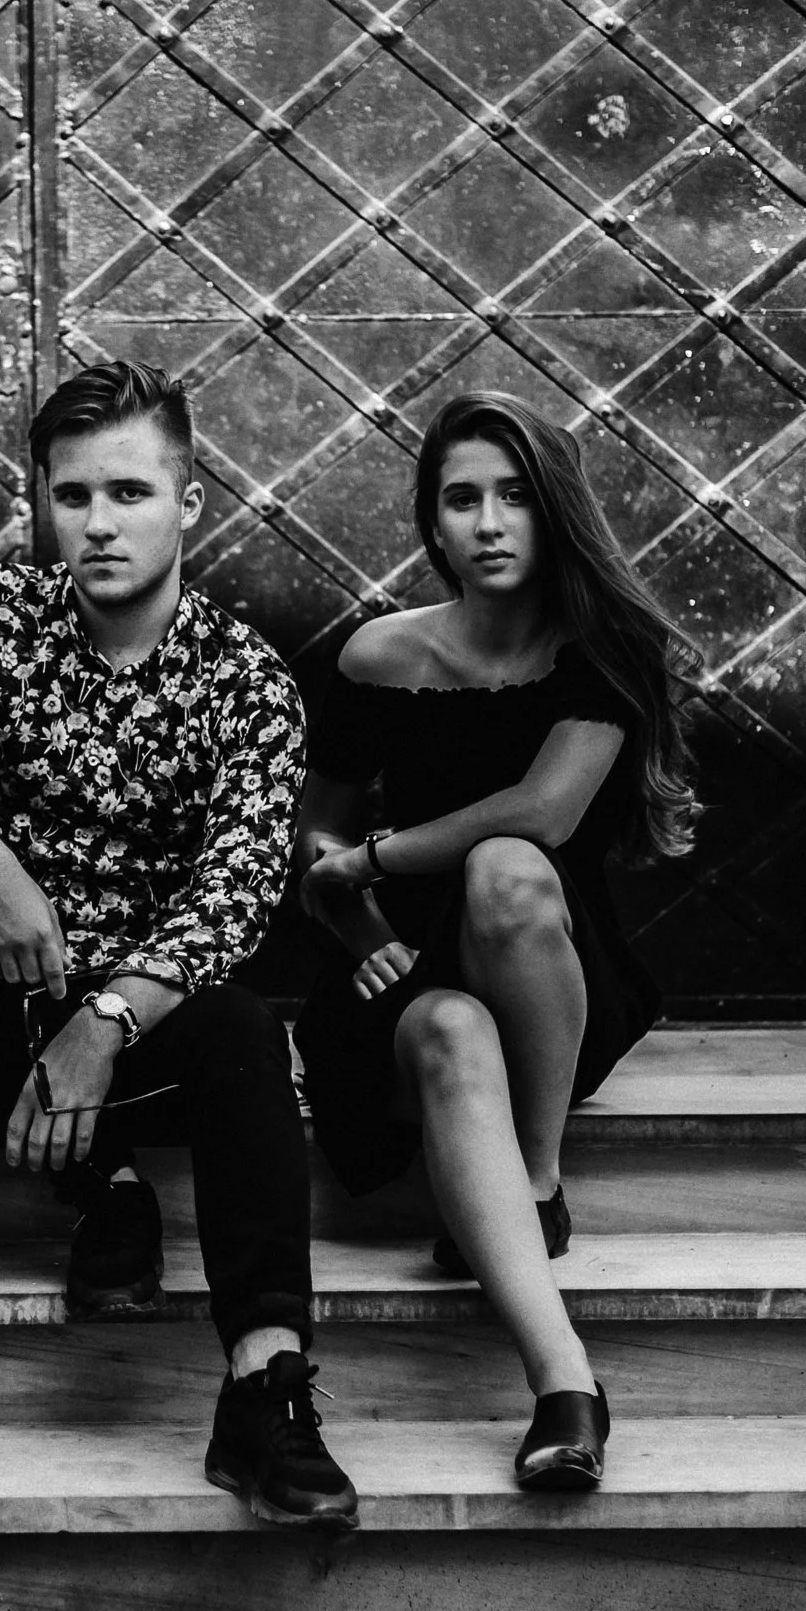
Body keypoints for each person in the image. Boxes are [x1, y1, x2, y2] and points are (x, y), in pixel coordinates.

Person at [0, 359, 358, 1530]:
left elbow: (238, 890)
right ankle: (109, 1182)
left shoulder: (247, 682)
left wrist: (106, 1019)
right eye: (74, 493)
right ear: (43, 500)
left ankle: (265, 1389)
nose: (98, 522)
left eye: (129, 492)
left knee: (245, 1029)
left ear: (186, 503)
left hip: (145, 1016)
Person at [292, 390, 698, 1492]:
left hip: (550, 963)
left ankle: (537, 1172)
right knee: (449, 1026)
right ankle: (567, 1386)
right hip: (410, 978)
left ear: (553, 510)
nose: (487, 522)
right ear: (431, 520)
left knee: (504, 869)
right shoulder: (380, 654)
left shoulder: (606, 647)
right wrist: (362, 928)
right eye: (460, 498)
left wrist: (374, 859)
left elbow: (543, 812)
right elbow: (314, 838)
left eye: (514, 496)